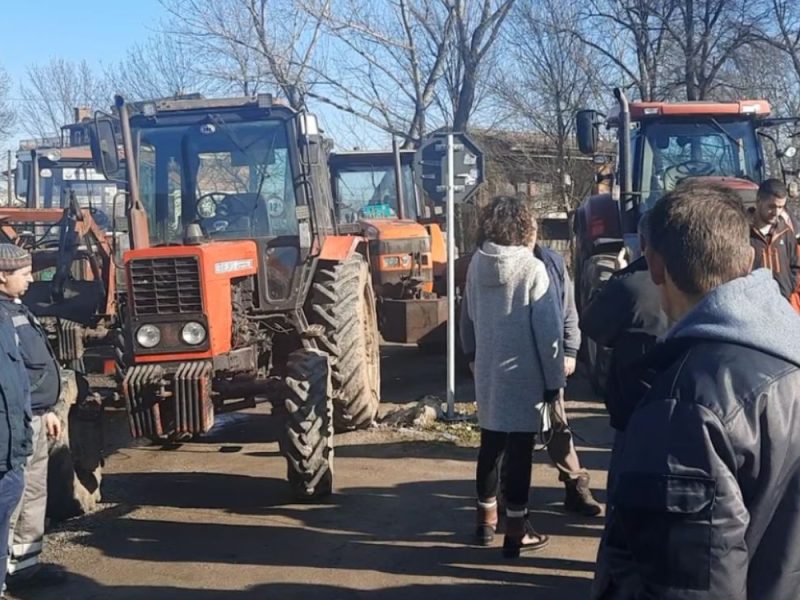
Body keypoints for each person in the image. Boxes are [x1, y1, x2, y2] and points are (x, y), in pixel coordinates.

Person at [593, 182, 800, 599]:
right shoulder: (788, 356)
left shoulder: (686, 404)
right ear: (748, 256)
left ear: (654, 264)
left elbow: (691, 584)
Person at [460, 196, 565, 558]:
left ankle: (485, 522)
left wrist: (476, 355)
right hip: (525, 374)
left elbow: (470, 315)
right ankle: (516, 533)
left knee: (490, 446)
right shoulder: (532, 269)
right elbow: (548, 332)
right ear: (523, 225)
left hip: (488, 371)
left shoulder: (476, 264)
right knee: (520, 453)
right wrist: (554, 382)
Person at [0, 244, 65, 592]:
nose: (31, 279)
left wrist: (49, 409)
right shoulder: (1, 318)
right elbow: (12, 378)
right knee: (12, 496)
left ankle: (26, 566)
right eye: (24, 274)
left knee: (35, 491)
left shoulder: (17, 308)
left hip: (38, 418)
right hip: (16, 425)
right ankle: (5, 571)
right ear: (1, 277)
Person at [580, 212, 669, 432]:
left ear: (641, 241)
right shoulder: (696, 279)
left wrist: (617, 276)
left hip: (635, 408)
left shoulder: (627, 285)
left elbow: (593, 324)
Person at [533, 243, 602, 516]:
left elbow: (568, 309)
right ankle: (503, 497)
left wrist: (571, 350)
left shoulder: (552, 262)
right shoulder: (491, 261)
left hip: (551, 358)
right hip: (511, 367)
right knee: (510, 436)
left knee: (558, 427)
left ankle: (575, 487)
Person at [0, 251, 33, 598]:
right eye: (24, 272)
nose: (32, 279)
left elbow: (17, 383)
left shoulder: (9, 319)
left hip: (11, 452)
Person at [749, 178, 800, 303]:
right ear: (758, 201)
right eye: (771, 206)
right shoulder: (742, 233)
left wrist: (789, 288)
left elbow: (796, 265)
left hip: (784, 303)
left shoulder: (787, 232)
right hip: (754, 306)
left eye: (781, 207)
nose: (776, 212)